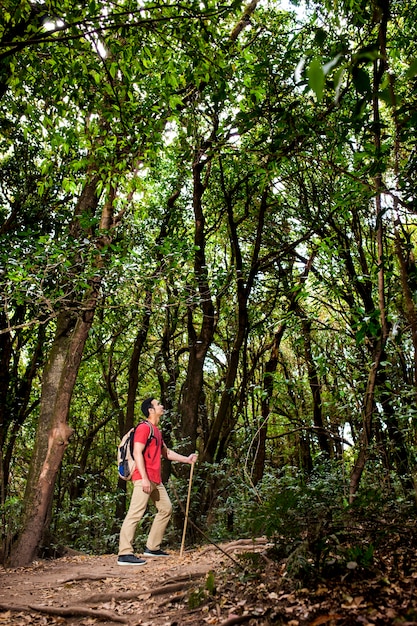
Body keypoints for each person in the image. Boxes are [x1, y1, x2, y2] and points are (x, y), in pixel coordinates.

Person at [117, 397, 198, 566]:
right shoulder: (144, 428)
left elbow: (166, 453)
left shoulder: (156, 431)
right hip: (143, 478)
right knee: (135, 513)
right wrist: (144, 478)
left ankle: (152, 548)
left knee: (166, 508)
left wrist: (187, 459)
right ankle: (124, 553)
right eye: (158, 404)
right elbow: (137, 452)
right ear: (150, 410)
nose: (161, 406)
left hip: (155, 479)